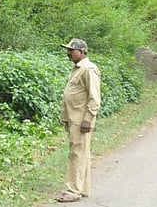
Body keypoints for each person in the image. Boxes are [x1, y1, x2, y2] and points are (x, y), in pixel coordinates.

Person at [56, 38, 101, 203]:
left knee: (77, 154)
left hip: (81, 120)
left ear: (82, 51)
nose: (68, 52)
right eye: (68, 49)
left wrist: (88, 119)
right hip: (73, 118)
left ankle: (73, 190)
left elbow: (94, 98)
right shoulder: (77, 69)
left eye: (71, 50)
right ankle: (82, 188)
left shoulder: (89, 69)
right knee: (82, 154)